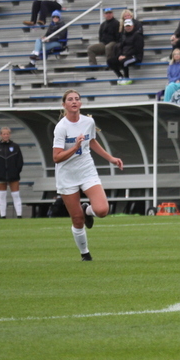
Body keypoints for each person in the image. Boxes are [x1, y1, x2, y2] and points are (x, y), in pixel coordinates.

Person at [53, 90, 124, 260]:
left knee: (102, 210)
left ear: (81, 103)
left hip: (86, 170)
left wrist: (111, 158)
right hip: (67, 175)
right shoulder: (61, 127)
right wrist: (74, 148)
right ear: (64, 105)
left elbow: (92, 141)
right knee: (77, 219)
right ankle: (85, 254)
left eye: (77, 99)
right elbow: (56, 157)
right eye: (70, 100)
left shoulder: (88, 121)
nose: (74, 102)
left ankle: (88, 210)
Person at [0, 127, 25, 218]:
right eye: (4, 134)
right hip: (0, 176)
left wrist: (16, 171)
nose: (6, 135)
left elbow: (20, 161)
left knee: (16, 195)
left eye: (7, 134)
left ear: (10, 135)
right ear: (0, 135)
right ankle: (3, 215)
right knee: (2, 196)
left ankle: (19, 215)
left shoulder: (15, 147)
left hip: (13, 175)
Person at [108, 19, 144, 85]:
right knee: (110, 61)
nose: (128, 27)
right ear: (124, 27)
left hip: (135, 56)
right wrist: (119, 55)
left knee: (124, 62)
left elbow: (138, 49)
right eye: (126, 26)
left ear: (133, 26)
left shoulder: (138, 35)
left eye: (129, 26)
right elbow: (121, 47)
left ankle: (127, 78)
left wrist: (126, 55)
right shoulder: (124, 36)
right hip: (125, 55)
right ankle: (120, 76)